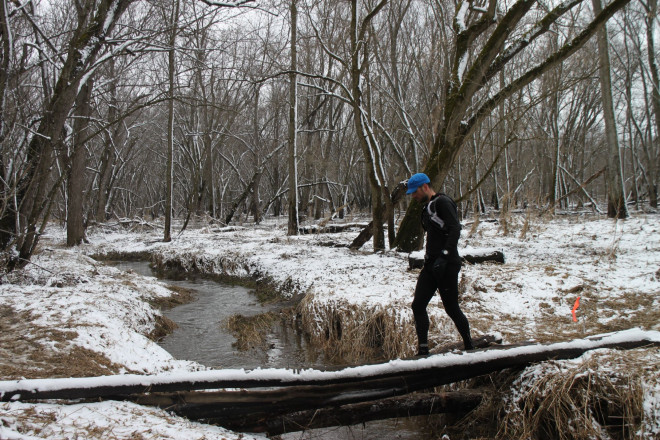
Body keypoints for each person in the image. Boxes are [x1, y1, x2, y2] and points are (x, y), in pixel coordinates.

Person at [406, 172, 473, 355]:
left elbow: (455, 229)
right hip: (431, 265)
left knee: (451, 308)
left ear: (425, 187)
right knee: (418, 305)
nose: (413, 196)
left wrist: (444, 256)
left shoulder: (443, 202)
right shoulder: (428, 207)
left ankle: (470, 346)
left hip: (447, 264)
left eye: (415, 192)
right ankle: (423, 350)